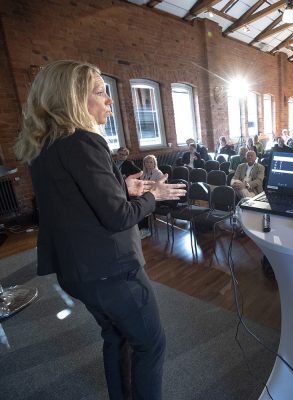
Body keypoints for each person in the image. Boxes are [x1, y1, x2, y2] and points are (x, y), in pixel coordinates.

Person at [14, 60, 186, 400]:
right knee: (150, 345)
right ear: (72, 101)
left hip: (77, 272)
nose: (109, 99)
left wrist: (122, 186)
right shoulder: (84, 141)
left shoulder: (45, 146)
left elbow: (74, 202)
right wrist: (153, 194)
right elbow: (118, 217)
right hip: (112, 273)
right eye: (99, 91)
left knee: (116, 337)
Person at [139, 155, 164, 239]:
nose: (149, 164)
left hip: (156, 197)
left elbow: (160, 188)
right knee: (136, 204)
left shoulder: (158, 173)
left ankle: (146, 230)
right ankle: (140, 228)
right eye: (146, 162)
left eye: (151, 162)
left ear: (154, 163)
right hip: (146, 195)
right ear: (144, 164)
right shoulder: (143, 174)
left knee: (142, 206)